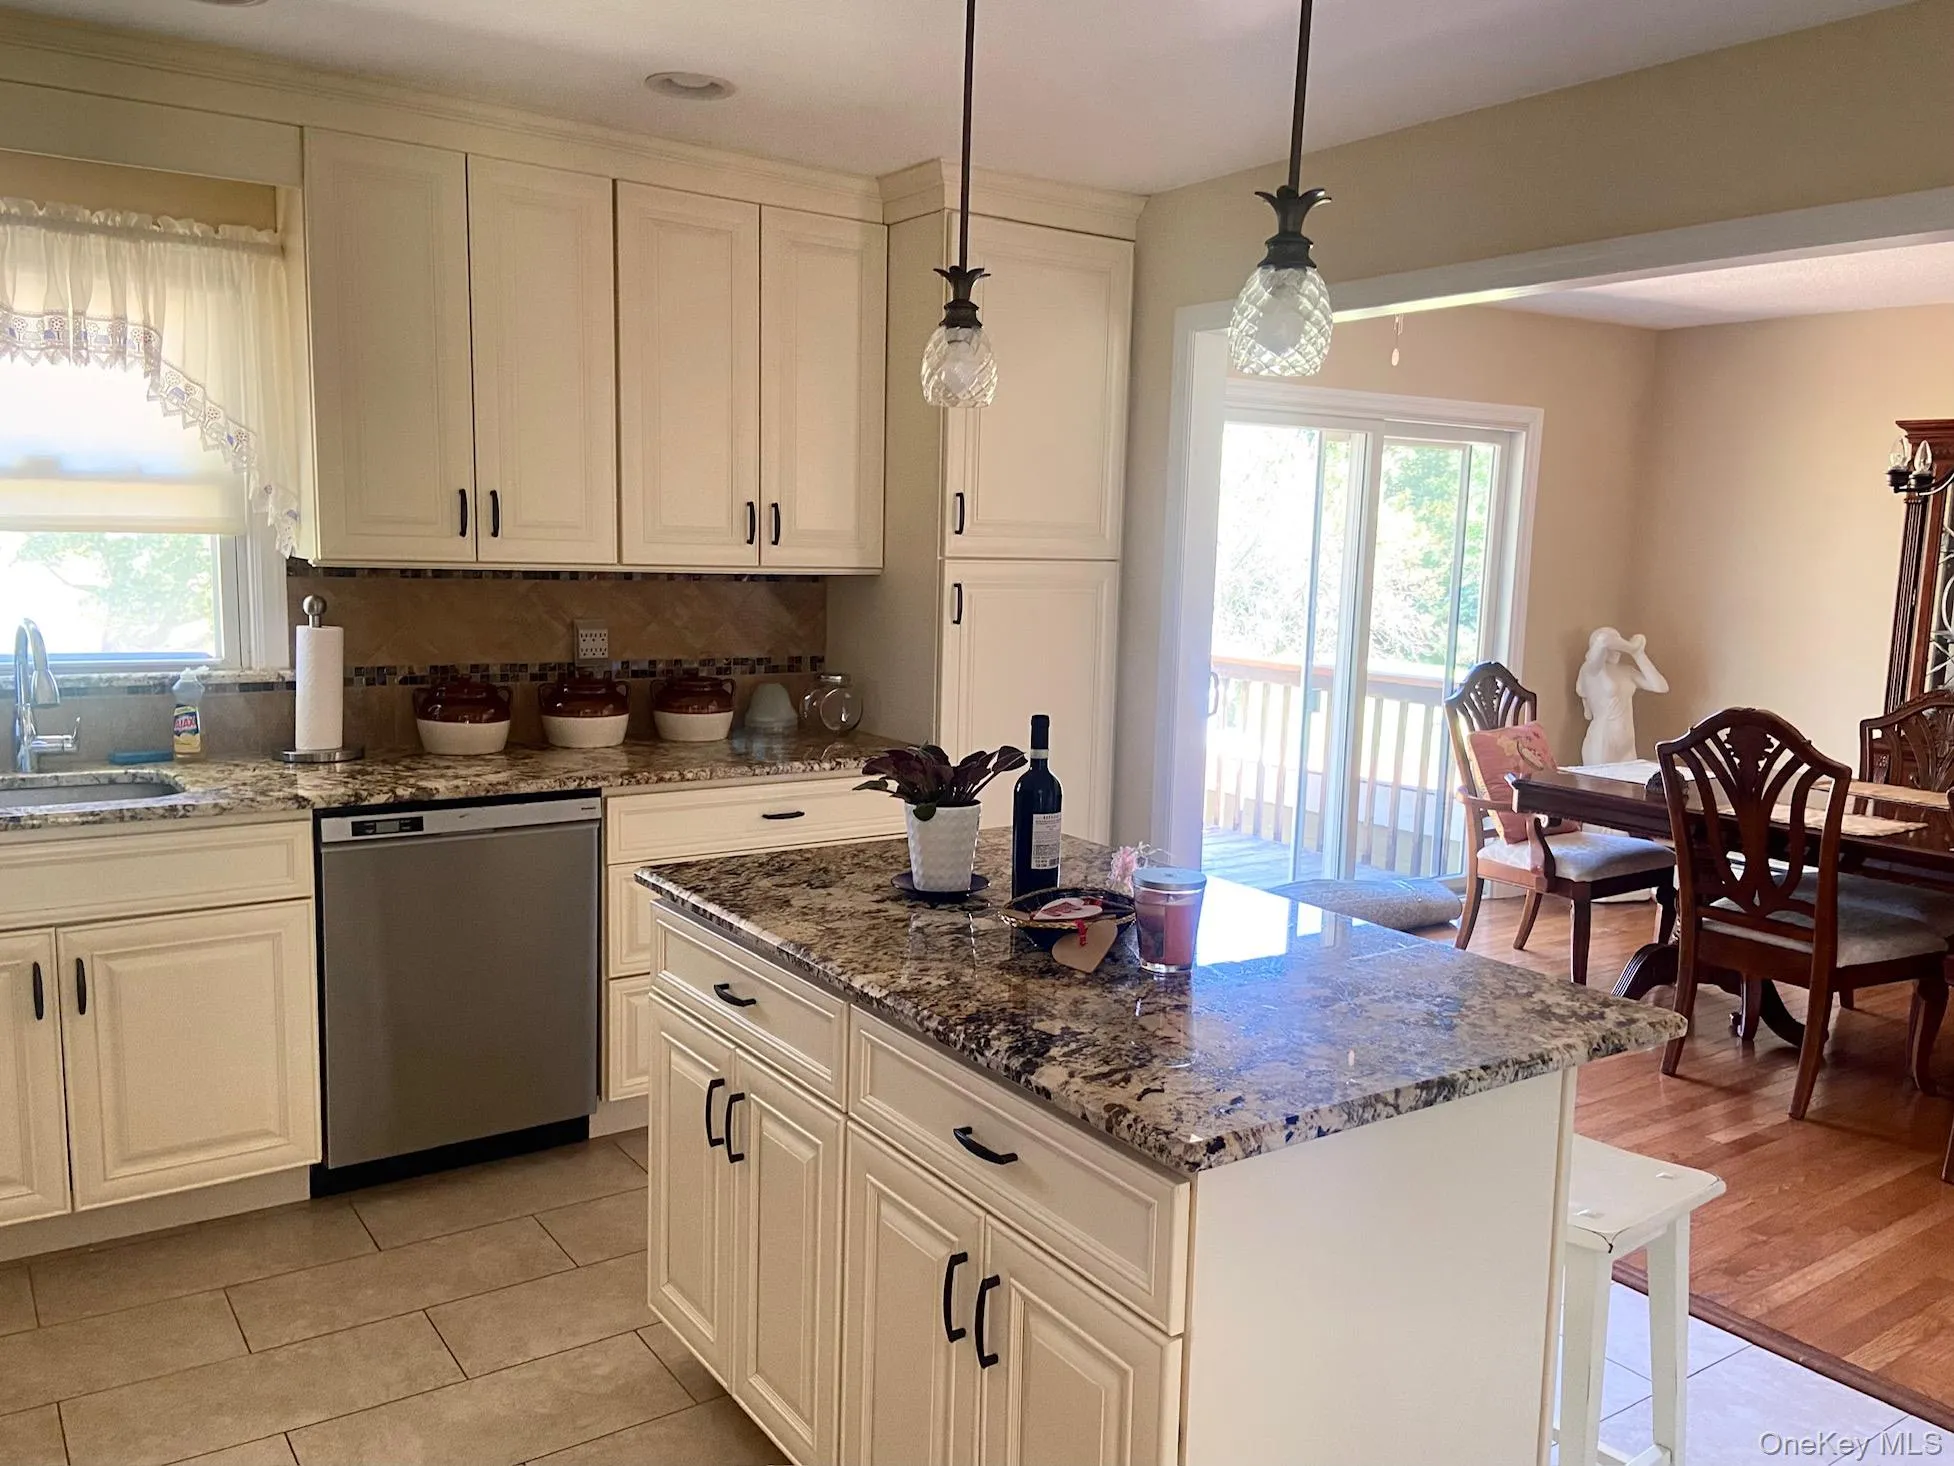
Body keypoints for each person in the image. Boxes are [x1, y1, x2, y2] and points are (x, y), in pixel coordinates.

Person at [1576, 627, 1668, 765]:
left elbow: (1660, 687)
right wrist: (1631, 646)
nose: (1618, 649)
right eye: (1616, 643)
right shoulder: (1591, 669)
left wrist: (1638, 654)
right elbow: (1603, 640)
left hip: (1627, 743)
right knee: (1597, 785)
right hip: (1603, 740)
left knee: (1628, 786)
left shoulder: (1627, 671)